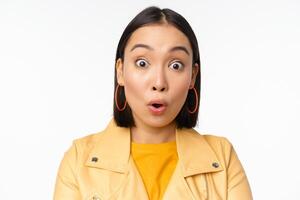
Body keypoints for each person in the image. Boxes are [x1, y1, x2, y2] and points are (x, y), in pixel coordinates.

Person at [53, 6, 253, 200]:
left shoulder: (221, 157)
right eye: (142, 63)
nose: (159, 82)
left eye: (176, 65)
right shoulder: (80, 160)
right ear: (120, 71)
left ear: (192, 76)